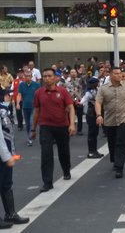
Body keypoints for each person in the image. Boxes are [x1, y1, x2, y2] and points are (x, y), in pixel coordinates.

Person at [31, 68, 76, 192]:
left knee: (64, 151)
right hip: (46, 127)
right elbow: (36, 112)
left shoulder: (62, 92)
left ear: (55, 78)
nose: (47, 78)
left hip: (62, 126)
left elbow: (71, 108)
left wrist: (72, 124)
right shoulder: (39, 93)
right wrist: (33, 129)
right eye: (45, 76)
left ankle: (66, 170)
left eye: (49, 76)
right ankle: (47, 182)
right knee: (46, 154)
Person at [95, 67, 125, 179]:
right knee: (112, 142)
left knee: (120, 141)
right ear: (110, 75)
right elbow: (98, 102)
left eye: (120, 73)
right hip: (110, 120)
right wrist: (99, 115)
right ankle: (115, 159)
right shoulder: (103, 89)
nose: (119, 75)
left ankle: (119, 167)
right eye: (116, 74)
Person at [0, 90, 30, 228]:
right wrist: (7, 156)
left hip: (6, 152)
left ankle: (10, 213)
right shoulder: (2, 111)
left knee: (6, 183)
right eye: (7, 95)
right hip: (2, 154)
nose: (10, 97)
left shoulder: (4, 110)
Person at [80, 77, 103, 158]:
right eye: (97, 82)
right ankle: (91, 152)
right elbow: (83, 100)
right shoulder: (89, 92)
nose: (98, 83)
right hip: (90, 114)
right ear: (94, 83)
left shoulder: (96, 90)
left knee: (95, 133)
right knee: (91, 133)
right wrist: (80, 103)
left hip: (95, 114)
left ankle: (95, 150)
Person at [16, 71, 40, 146]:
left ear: (31, 76)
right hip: (25, 106)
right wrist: (17, 104)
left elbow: (40, 95)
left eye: (29, 76)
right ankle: (29, 135)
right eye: (26, 76)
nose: (28, 77)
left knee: (31, 122)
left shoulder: (36, 85)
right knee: (27, 123)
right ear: (24, 77)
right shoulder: (21, 85)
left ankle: (29, 139)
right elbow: (19, 95)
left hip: (34, 107)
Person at [64, 68, 84, 136]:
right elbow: (66, 91)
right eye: (71, 72)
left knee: (80, 116)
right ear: (70, 73)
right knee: (70, 116)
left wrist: (81, 74)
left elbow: (84, 84)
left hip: (79, 100)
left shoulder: (80, 80)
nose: (73, 73)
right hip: (70, 100)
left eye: (74, 72)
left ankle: (79, 130)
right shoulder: (67, 82)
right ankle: (70, 128)